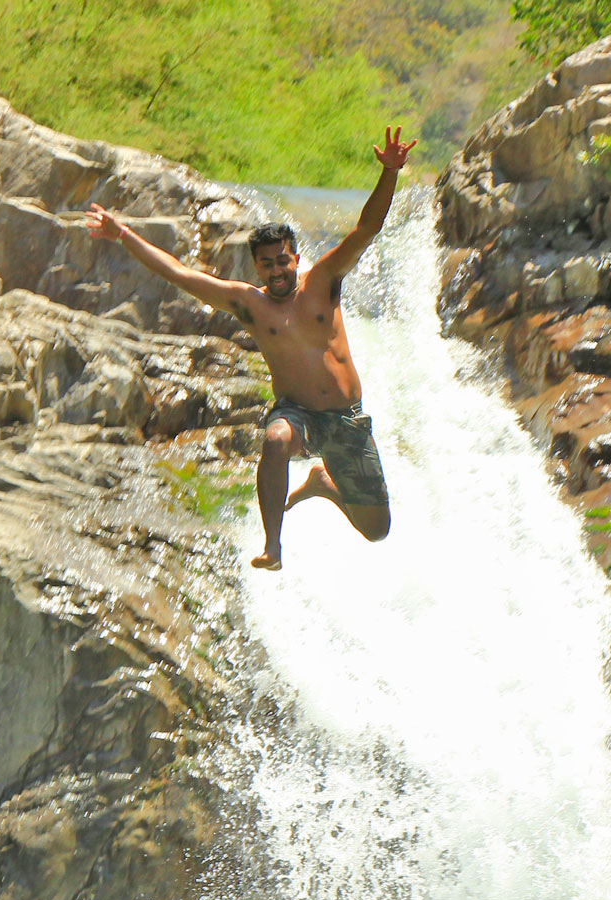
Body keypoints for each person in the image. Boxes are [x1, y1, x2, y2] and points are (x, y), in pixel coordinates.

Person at [83, 126, 416, 571]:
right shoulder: (248, 303)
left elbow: (366, 229)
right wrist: (122, 233)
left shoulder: (323, 282)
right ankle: (273, 545)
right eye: (266, 263)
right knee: (276, 441)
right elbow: (179, 274)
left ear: (296, 258)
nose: (276, 270)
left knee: (376, 531)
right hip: (295, 413)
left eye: (283, 260)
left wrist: (390, 172)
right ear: (257, 266)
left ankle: (321, 481)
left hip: (346, 419)